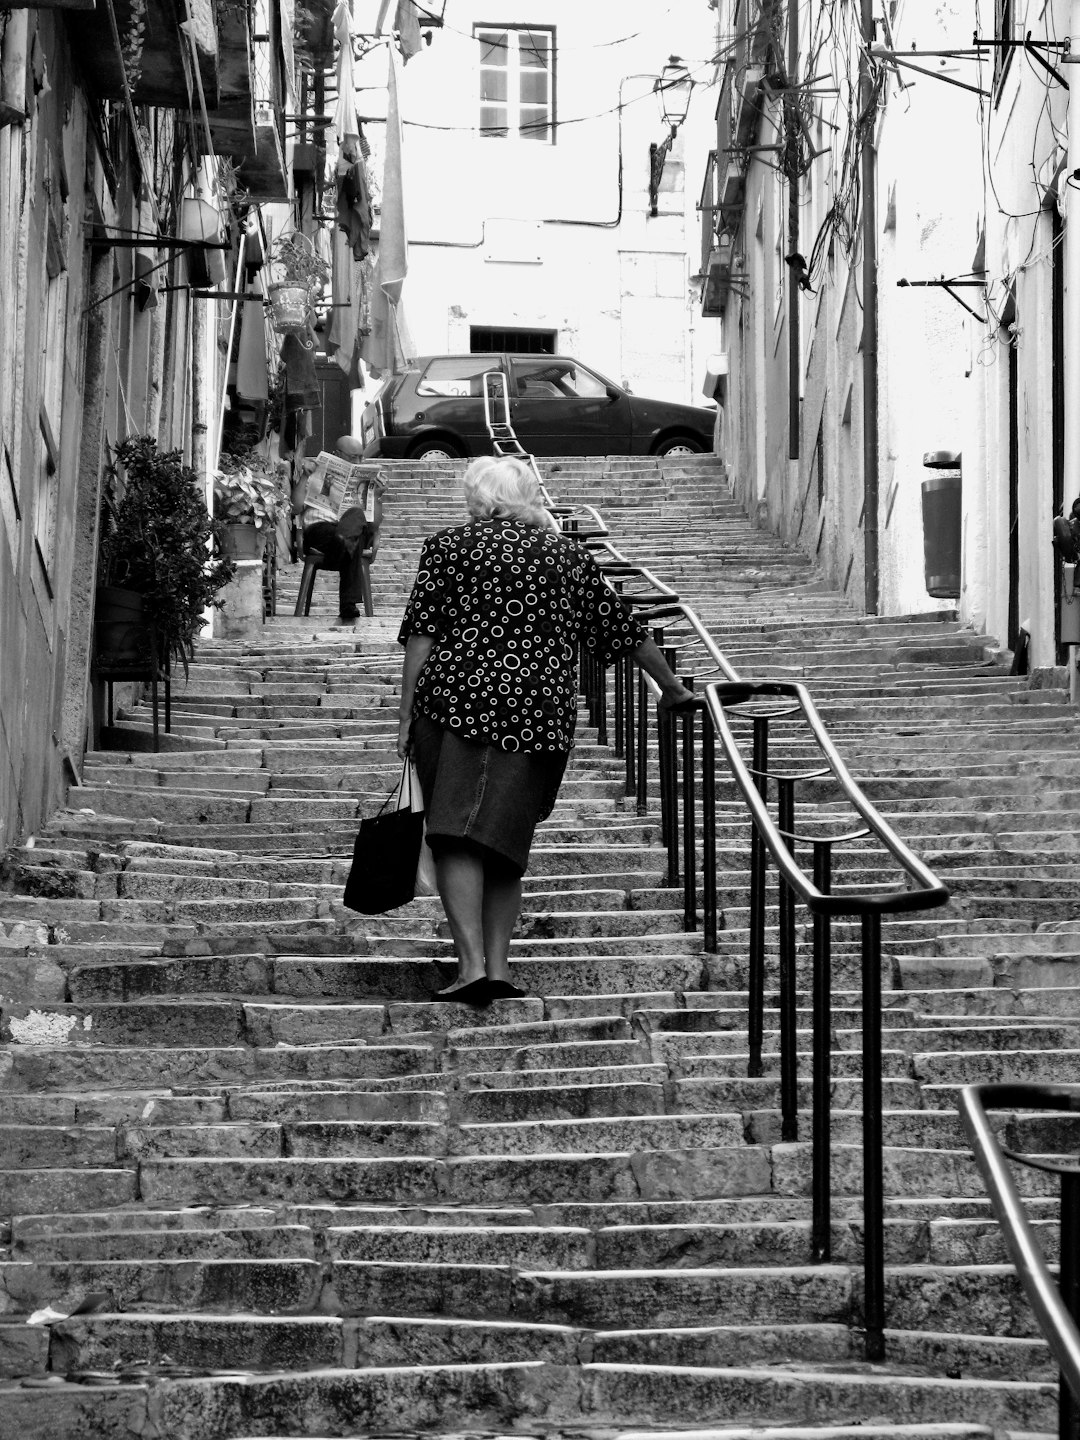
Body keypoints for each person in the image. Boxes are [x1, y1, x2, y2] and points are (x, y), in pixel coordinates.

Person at [396, 455, 697, 1006]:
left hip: (454, 705)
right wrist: (673, 687)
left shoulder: (448, 548)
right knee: (504, 840)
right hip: (537, 714)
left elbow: (423, 634)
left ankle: (470, 970)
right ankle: (499, 967)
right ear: (527, 496)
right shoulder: (568, 556)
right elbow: (621, 627)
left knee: (453, 833)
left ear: (481, 498)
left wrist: (404, 713)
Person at [296, 436, 385, 623]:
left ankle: (343, 540)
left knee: (355, 517)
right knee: (353, 542)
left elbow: (375, 525)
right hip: (321, 531)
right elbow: (295, 508)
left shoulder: (368, 480)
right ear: (337, 455)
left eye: (362, 457)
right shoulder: (313, 472)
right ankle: (348, 604)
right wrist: (304, 476)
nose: (359, 462)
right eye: (353, 457)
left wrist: (376, 496)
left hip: (351, 529)